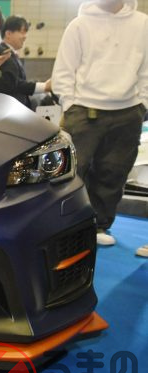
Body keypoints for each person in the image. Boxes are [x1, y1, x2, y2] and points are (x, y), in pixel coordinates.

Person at [51, 0, 148, 246]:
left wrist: (142, 105)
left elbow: (146, 70)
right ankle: (65, 227)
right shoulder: (79, 25)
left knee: (114, 173)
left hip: (128, 111)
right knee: (72, 173)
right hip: (84, 110)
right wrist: (70, 105)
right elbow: (63, 72)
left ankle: (100, 226)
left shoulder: (142, 24)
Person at [0, 15, 51, 109]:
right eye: (22, 32)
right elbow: (14, 84)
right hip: (10, 109)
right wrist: (44, 86)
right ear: (8, 33)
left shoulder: (11, 54)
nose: (25, 37)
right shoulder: (3, 54)